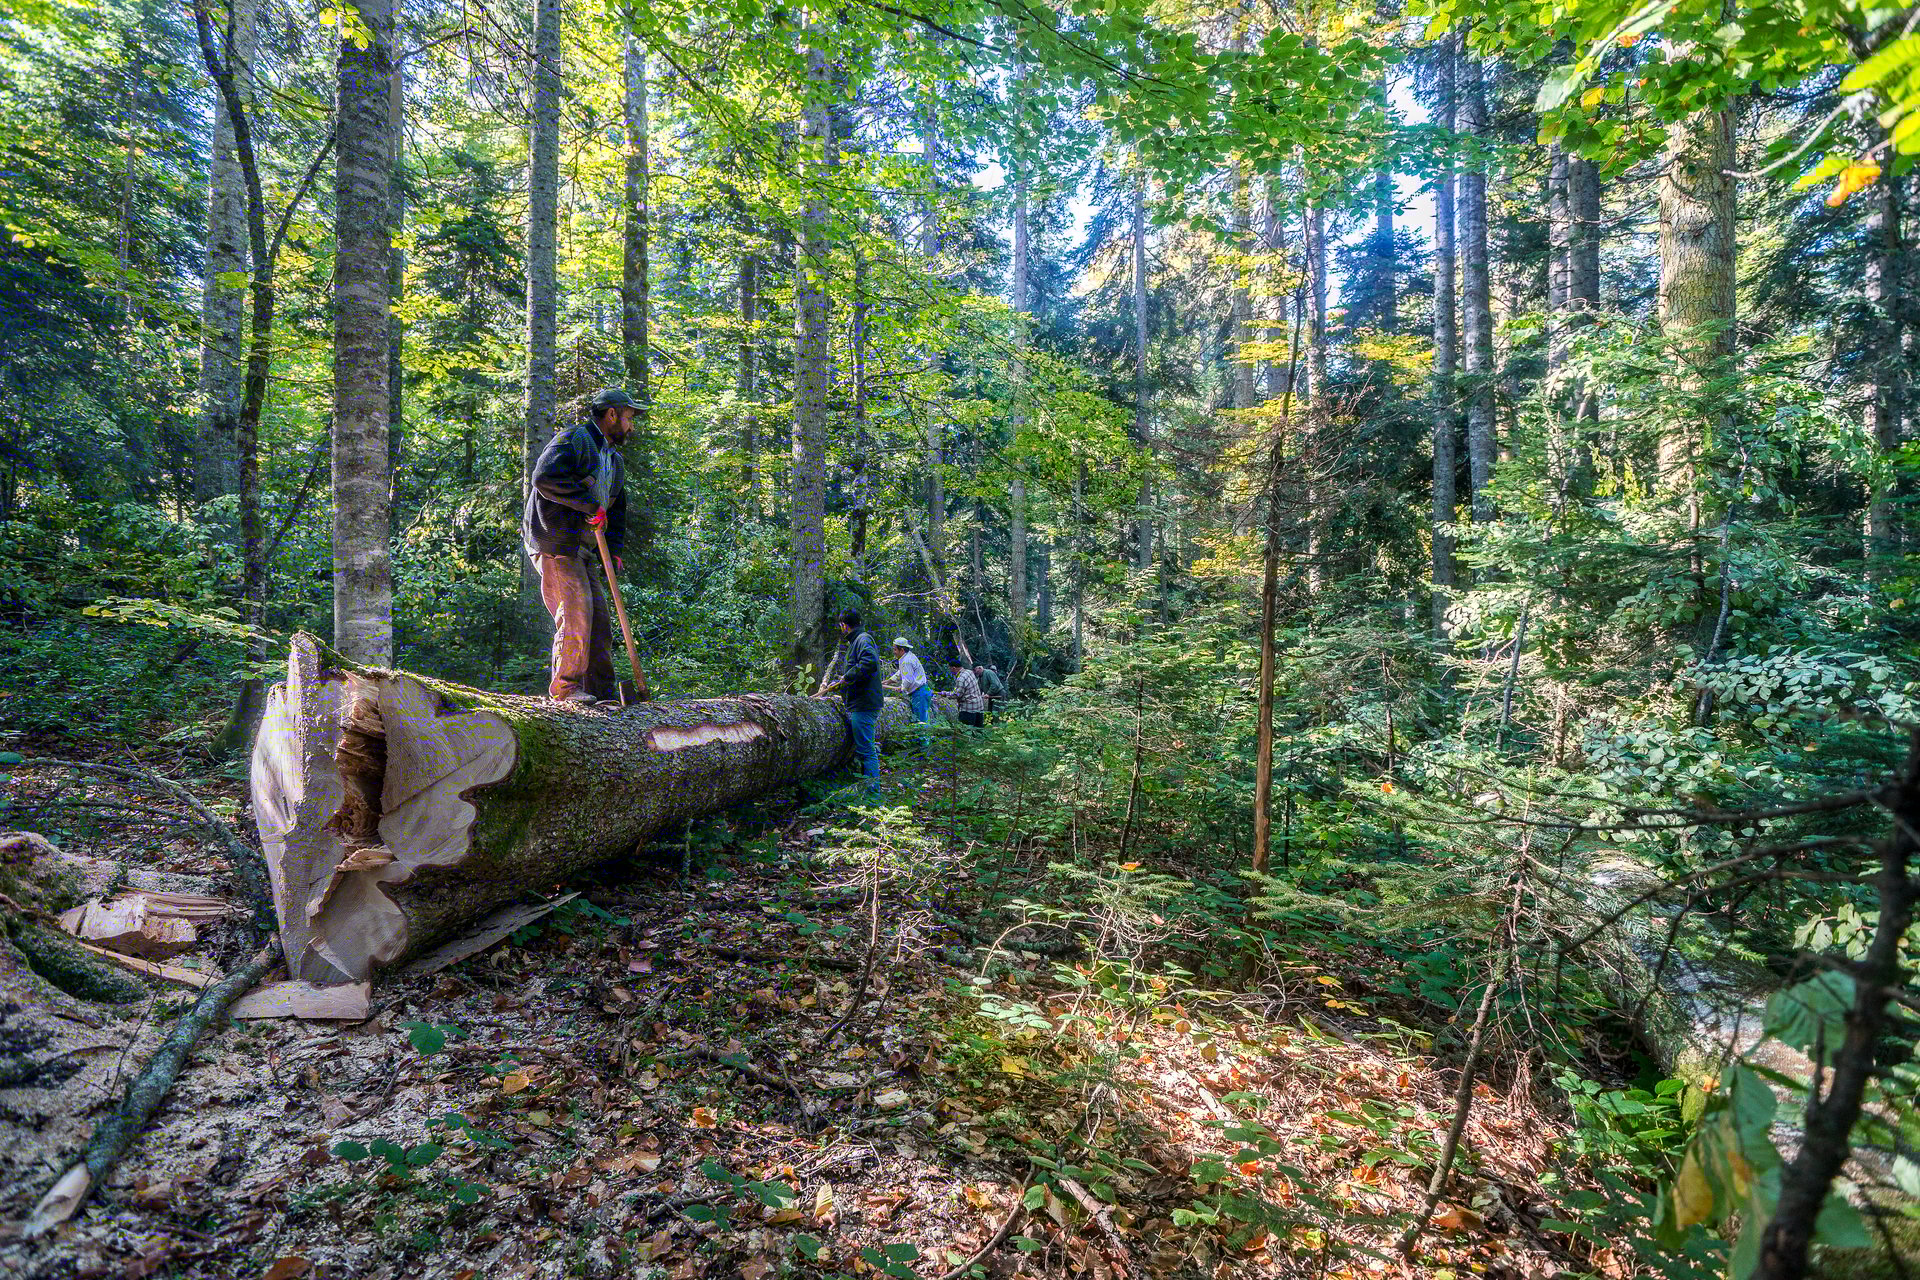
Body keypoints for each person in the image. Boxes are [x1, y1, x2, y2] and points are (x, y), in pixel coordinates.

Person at [523, 388, 636, 704]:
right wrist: (588, 505)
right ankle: (566, 689)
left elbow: (616, 509)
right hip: (557, 543)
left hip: (584, 548)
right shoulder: (574, 440)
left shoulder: (614, 461)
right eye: (628, 418)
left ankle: (601, 694)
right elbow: (544, 479)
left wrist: (614, 550)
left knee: (599, 623)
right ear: (611, 415)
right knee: (576, 613)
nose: (631, 426)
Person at [821, 609, 883, 794]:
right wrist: (841, 683)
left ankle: (873, 794)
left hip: (864, 705)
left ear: (844, 625)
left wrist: (847, 677)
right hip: (861, 703)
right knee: (865, 749)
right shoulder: (857, 641)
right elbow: (858, 671)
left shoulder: (862, 639)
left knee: (866, 751)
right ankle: (868, 789)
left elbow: (869, 663)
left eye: (840, 625)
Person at [886, 637, 932, 724]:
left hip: (919, 693)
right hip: (921, 691)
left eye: (895, 649)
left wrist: (901, 688)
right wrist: (889, 681)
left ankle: (923, 733)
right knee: (921, 720)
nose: (894, 652)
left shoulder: (906, 661)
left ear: (902, 650)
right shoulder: (907, 657)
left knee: (921, 723)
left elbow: (908, 681)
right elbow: (901, 672)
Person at [949, 658, 987, 729]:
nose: (950, 671)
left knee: (966, 731)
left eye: (950, 669)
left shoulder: (961, 678)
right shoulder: (969, 672)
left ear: (954, 668)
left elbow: (957, 694)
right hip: (979, 706)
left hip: (968, 710)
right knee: (979, 731)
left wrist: (944, 693)